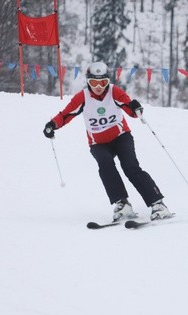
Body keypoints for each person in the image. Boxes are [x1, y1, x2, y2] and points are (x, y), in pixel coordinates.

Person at [43, 61, 172, 221]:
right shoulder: (82, 97)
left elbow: (129, 108)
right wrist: (52, 125)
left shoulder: (114, 91)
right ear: (88, 82)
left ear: (108, 81)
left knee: (130, 167)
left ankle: (157, 204)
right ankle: (122, 203)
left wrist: (135, 108)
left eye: (103, 82)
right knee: (106, 166)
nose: (98, 86)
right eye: (94, 83)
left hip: (121, 137)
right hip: (98, 143)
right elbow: (66, 115)